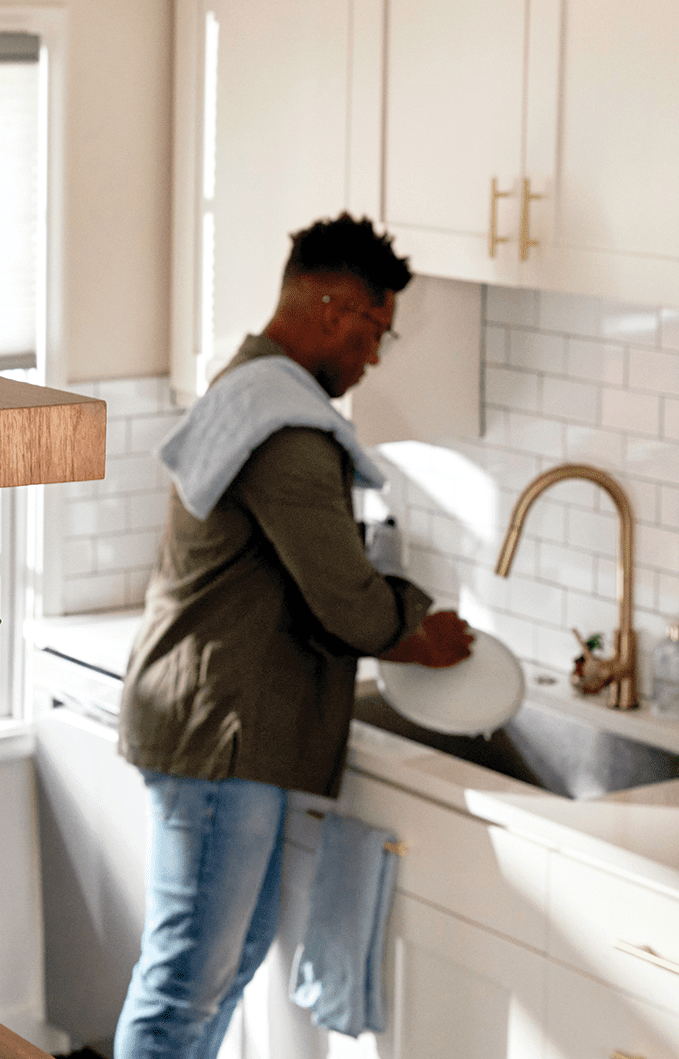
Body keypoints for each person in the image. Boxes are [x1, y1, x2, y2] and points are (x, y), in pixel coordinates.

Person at [113, 212, 472, 1059]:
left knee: (224, 966)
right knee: (182, 989)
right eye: (373, 331)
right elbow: (344, 595)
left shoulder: (249, 385)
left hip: (219, 723)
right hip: (221, 734)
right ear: (330, 305)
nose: (374, 356)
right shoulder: (286, 424)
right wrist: (421, 634)